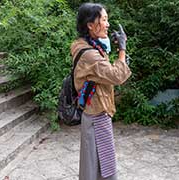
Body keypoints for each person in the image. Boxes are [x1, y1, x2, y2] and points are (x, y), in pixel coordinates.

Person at [70, 2, 131, 180]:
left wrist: (114, 53)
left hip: (96, 114)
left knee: (97, 166)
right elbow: (117, 76)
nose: (108, 24)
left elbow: (104, 74)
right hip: (97, 116)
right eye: (104, 19)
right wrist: (122, 49)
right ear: (90, 25)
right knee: (102, 169)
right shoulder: (89, 54)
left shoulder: (87, 45)